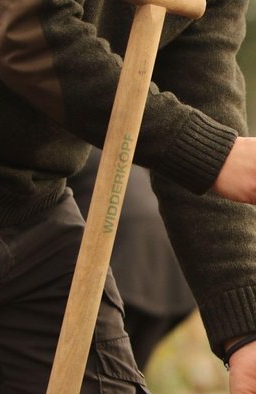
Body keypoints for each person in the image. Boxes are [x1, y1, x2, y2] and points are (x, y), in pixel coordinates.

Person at [0, 1, 256, 394]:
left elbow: (202, 93)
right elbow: (28, 33)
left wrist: (251, 333)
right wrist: (213, 153)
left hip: (31, 210)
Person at [68, 148, 196, 370]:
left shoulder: (66, 152)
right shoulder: (117, 150)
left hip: (128, 264)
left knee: (93, 373)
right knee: (127, 375)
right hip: (175, 274)